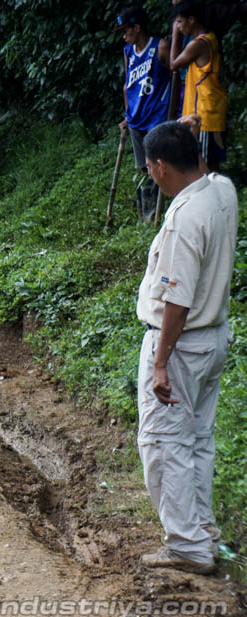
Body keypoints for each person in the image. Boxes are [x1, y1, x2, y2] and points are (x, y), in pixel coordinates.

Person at [136, 121, 237, 576]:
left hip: (180, 345)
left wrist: (160, 363)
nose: (150, 174)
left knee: (163, 443)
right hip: (212, 338)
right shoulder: (222, 190)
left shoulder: (184, 219)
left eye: (149, 167)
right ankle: (203, 533)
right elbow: (204, 168)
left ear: (160, 166)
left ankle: (187, 545)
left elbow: (176, 301)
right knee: (196, 439)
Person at [113, 7, 171, 222]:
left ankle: (162, 211)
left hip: (157, 115)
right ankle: (148, 214)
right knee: (144, 169)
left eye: (125, 30)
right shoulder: (128, 52)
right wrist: (127, 114)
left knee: (159, 162)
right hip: (136, 118)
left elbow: (174, 76)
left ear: (137, 28)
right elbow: (127, 85)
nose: (123, 35)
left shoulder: (160, 47)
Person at [170, 1, 228, 172]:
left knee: (203, 165)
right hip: (211, 112)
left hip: (203, 115)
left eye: (179, 22)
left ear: (192, 20)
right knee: (210, 164)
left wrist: (175, 34)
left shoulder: (198, 44)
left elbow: (173, 64)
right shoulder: (210, 38)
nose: (178, 26)